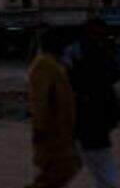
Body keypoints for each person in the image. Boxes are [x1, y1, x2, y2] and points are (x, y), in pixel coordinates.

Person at [70, 20, 120, 188]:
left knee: (96, 160)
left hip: (87, 114)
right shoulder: (95, 52)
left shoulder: (78, 51)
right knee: (101, 162)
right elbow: (117, 73)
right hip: (93, 115)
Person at [27, 28, 81, 188]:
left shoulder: (55, 65)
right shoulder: (43, 65)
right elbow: (39, 100)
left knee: (64, 169)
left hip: (62, 132)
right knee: (59, 171)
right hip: (51, 132)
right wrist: (40, 129)